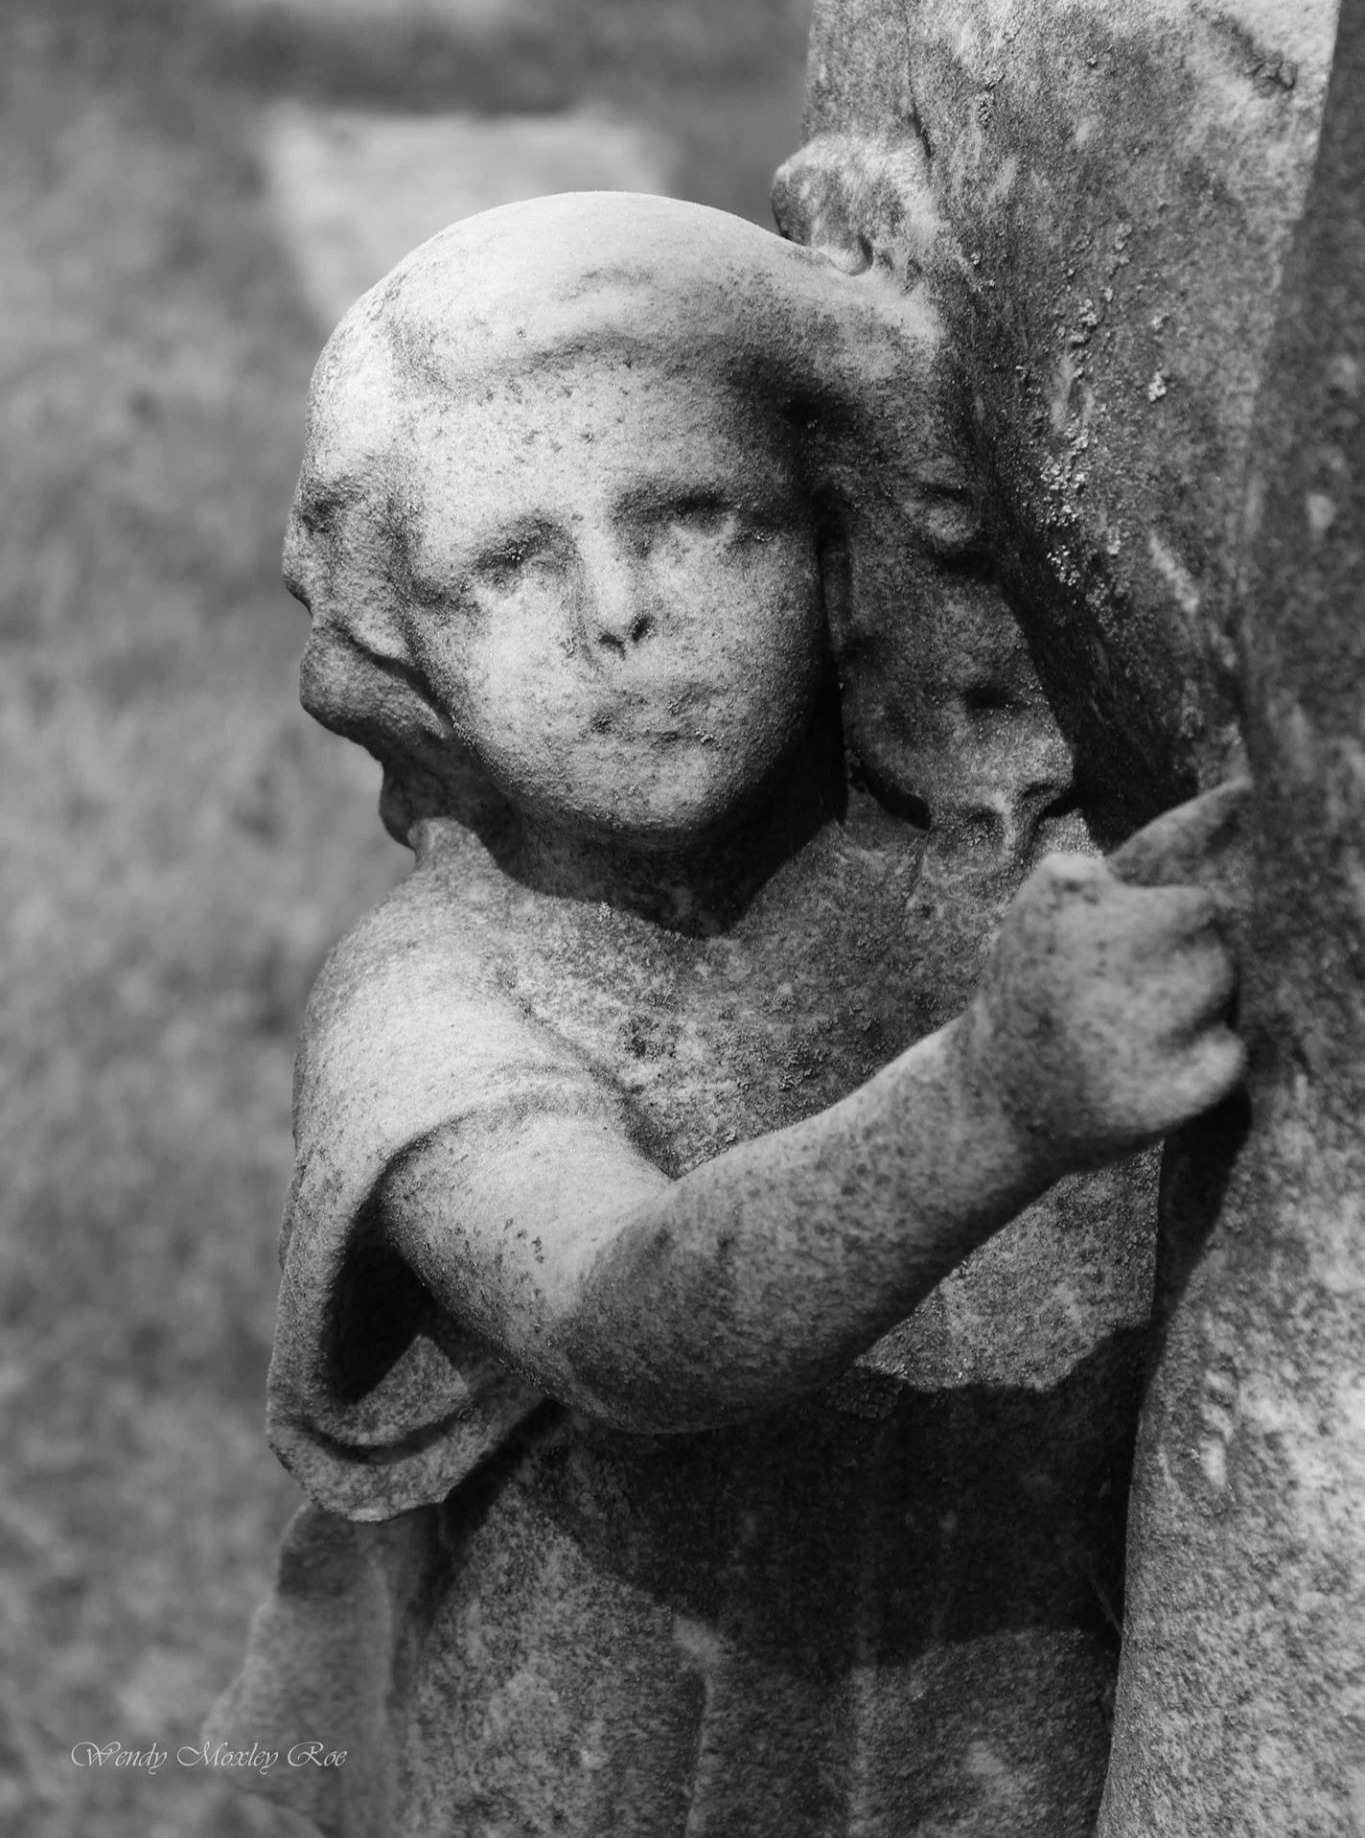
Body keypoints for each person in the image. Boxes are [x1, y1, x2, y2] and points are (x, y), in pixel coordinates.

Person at [212, 193, 1243, 1838]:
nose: (620, 611)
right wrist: (994, 1099)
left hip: (995, 1736)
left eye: (698, 516)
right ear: (399, 646)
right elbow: (630, 1320)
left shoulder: (989, 877)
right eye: (508, 563)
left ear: (833, 535)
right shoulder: (427, 1005)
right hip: (612, 1774)